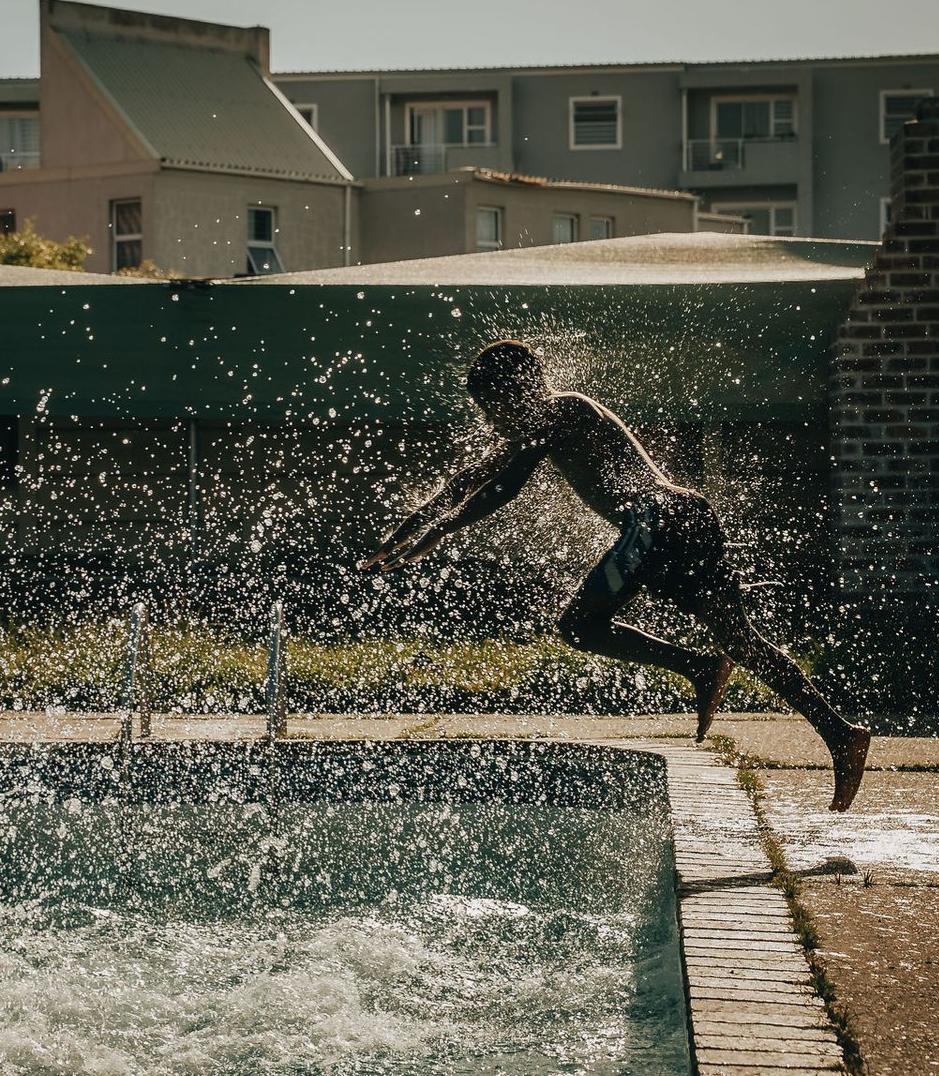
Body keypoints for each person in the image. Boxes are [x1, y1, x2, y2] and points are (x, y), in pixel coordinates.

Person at [362, 340, 870, 811]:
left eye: (494, 408)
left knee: (580, 626)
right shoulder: (542, 421)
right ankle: (839, 733)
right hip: (685, 518)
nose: (493, 422)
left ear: (520, 391)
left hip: (656, 521)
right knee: (739, 639)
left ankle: (698, 667)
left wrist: (441, 532)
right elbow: (468, 482)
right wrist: (403, 535)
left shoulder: (562, 410)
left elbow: (505, 487)